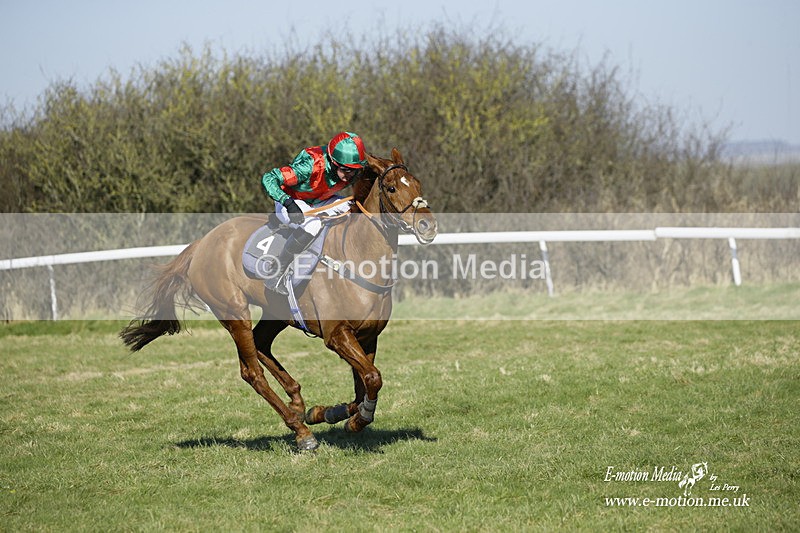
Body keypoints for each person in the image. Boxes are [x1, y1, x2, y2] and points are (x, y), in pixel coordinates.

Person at [259, 131, 368, 291]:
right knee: (313, 225)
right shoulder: (310, 166)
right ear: (333, 161)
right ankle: (277, 270)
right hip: (292, 200)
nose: (349, 175)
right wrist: (287, 202)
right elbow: (269, 178)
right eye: (345, 170)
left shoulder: (351, 170)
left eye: (354, 170)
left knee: (354, 208)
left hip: (320, 200)